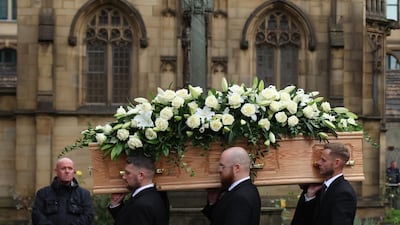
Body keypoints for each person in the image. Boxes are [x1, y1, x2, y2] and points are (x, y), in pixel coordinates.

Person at [291, 142, 357, 225]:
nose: (318, 163)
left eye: (323, 160)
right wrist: (309, 196)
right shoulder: (317, 189)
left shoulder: (344, 193)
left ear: (337, 163)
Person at [202, 146, 261, 225]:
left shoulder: (240, 197)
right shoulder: (247, 189)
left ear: (236, 168)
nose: (219, 170)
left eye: (222, 166)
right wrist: (212, 201)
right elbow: (222, 218)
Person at [108, 155, 169, 225]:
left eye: (128, 173)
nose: (124, 177)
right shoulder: (158, 196)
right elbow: (128, 219)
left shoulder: (141, 204)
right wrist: (115, 203)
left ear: (141, 175)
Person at [32, 157, 94, 225]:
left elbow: (88, 216)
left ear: (74, 172)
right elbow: (37, 216)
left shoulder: (84, 194)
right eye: (63, 168)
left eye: (70, 168)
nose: (67, 171)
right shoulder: (43, 193)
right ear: (56, 171)